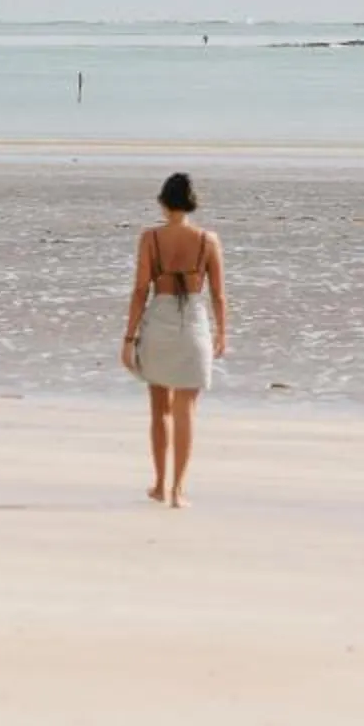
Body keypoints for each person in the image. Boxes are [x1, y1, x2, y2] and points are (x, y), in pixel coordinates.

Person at [122, 170, 227, 506]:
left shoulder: (150, 239)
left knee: (159, 410)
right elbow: (218, 295)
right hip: (194, 324)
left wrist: (128, 338)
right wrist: (222, 332)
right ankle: (179, 490)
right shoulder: (208, 240)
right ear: (192, 202)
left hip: (159, 323)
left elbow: (140, 290)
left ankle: (159, 484)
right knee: (187, 410)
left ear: (163, 202)